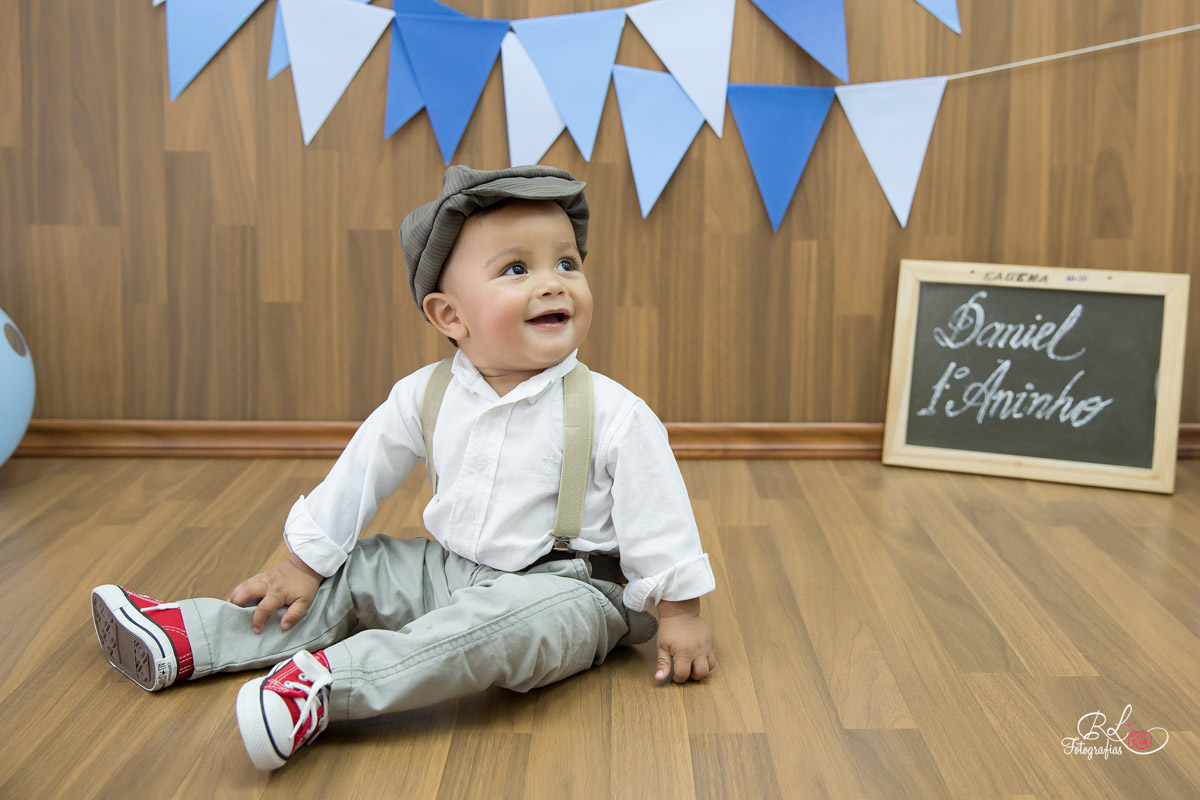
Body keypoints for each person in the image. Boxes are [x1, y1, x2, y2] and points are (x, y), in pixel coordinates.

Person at [90, 165, 717, 771]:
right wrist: (305, 563)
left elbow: (657, 512)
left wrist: (681, 614)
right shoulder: (425, 393)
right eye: (517, 268)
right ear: (450, 316)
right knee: (356, 570)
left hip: (571, 588)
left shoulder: (612, 411)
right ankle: (190, 639)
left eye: (568, 263)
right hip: (448, 569)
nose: (553, 283)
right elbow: (360, 474)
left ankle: (324, 688)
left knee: (491, 630)